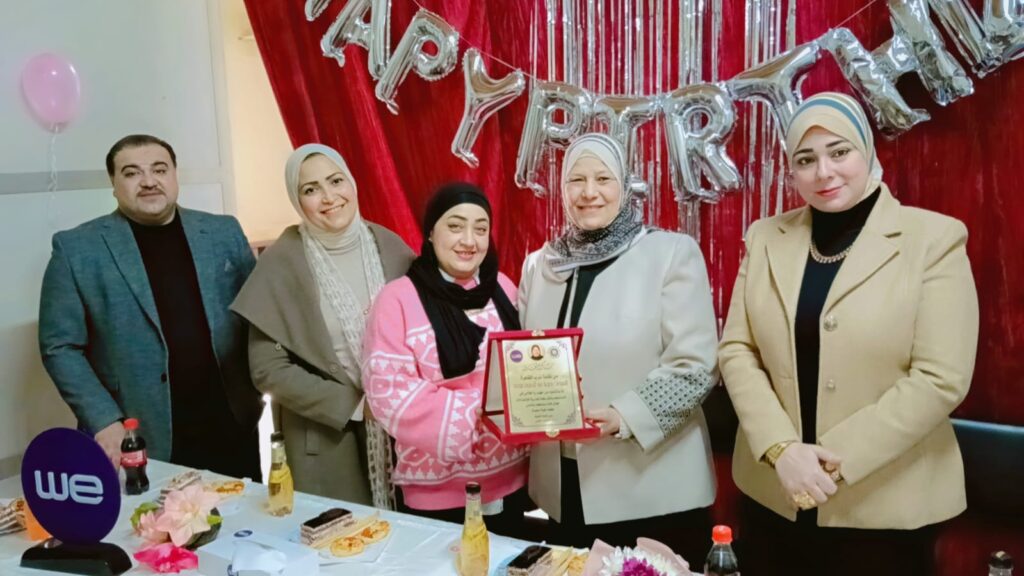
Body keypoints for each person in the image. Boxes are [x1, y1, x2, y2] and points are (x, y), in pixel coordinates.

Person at [718, 92, 979, 575]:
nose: (824, 172)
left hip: (887, 504)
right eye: (806, 159)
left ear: (867, 150)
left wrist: (829, 463)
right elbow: (737, 349)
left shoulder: (934, 240)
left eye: (839, 152)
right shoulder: (765, 237)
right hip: (774, 494)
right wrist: (781, 449)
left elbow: (941, 377)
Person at [518, 133, 719, 563]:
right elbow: (524, 360)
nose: (589, 192)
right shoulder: (541, 265)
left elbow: (695, 366)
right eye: (576, 180)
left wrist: (625, 415)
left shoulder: (669, 254)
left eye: (603, 179)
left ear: (625, 186)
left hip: (651, 490)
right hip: (563, 489)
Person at [38, 134, 263, 479]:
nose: (148, 181)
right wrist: (104, 420)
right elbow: (60, 346)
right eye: (131, 173)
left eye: (159, 169)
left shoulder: (222, 232)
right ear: (113, 183)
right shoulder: (77, 248)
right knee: (154, 515)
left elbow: (259, 315)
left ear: (174, 175)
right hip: (138, 432)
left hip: (231, 422)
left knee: (242, 512)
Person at [231, 144, 415, 505]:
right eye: (311, 189)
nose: (329, 197)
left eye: (336, 181)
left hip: (401, 430)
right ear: (297, 199)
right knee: (341, 533)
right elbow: (268, 370)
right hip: (325, 434)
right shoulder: (281, 263)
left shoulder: (390, 247)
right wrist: (356, 406)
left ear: (352, 183)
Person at [362, 183, 529, 536]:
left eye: (480, 229)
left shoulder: (503, 287)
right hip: (436, 494)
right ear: (430, 232)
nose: (469, 240)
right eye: (455, 226)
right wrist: (480, 407)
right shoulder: (397, 299)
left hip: (513, 480)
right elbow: (388, 394)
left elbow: (527, 368)